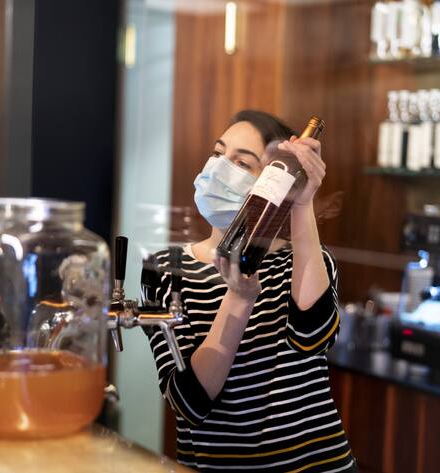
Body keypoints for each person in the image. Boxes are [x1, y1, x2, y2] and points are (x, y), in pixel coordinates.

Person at [145, 110, 354, 472]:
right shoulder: (166, 268)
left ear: (274, 183)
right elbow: (189, 402)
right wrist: (239, 298)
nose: (219, 168)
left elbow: (313, 337)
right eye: (217, 153)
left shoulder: (305, 260)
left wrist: (302, 201)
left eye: (242, 163)